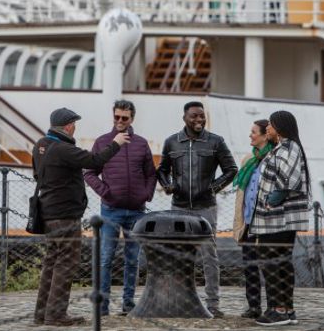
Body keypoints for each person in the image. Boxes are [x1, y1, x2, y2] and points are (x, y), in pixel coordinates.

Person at [32, 107, 130, 327]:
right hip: (65, 214)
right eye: (74, 123)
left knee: (51, 263)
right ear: (67, 126)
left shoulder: (40, 145)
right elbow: (95, 161)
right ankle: (56, 314)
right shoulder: (62, 148)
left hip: (48, 213)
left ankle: (41, 313)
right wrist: (116, 143)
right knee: (66, 263)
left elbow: (37, 174)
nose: (75, 127)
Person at [157, 101, 238, 317]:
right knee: (178, 256)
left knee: (209, 256)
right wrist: (167, 185)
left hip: (206, 208)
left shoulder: (215, 142)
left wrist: (213, 187)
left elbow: (231, 169)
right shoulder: (171, 142)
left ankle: (213, 304)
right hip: (179, 207)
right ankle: (179, 301)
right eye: (194, 116)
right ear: (184, 117)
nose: (199, 120)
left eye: (202, 116)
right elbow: (162, 170)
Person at [84, 99, 156, 316]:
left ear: (132, 119)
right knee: (105, 257)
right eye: (116, 117)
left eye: (124, 118)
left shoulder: (141, 144)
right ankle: (103, 306)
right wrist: (106, 192)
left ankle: (128, 304)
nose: (120, 121)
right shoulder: (102, 142)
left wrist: (146, 194)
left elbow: (151, 174)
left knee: (132, 259)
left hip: (136, 211)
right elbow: (89, 172)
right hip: (110, 211)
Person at [248, 110, 311, 326]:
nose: (268, 129)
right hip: (277, 217)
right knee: (280, 261)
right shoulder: (283, 147)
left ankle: (278, 310)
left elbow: (288, 179)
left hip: (277, 217)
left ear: (280, 127)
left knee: (272, 261)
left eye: (272, 125)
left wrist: (270, 201)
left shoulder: (289, 147)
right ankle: (287, 308)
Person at [232, 119, 275, 319]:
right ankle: (254, 306)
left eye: (253, 132)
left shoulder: (274, 159)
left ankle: (273, 307)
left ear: (265, 135)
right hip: (249, 222)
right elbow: (243, 192)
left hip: (266, 223)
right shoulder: (248, 159)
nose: (250, 135)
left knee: (269, 266)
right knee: (249, 266)